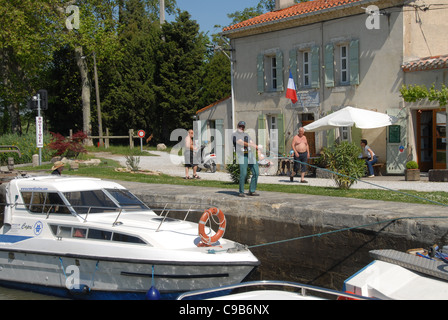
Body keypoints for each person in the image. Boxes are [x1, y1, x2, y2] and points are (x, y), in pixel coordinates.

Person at [231, 121, 259, 197]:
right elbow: (240, 142)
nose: (241, 128)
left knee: (256, 172)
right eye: (240, 126)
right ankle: (241, 192)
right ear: (237, 126)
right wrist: (252, 145)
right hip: (242, 155)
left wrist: (256, 146)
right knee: (244, 173)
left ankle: (252, 191)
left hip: (250, 154)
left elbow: (251, 142)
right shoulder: (234, 135)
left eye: (243, 127)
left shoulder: (246, 135)